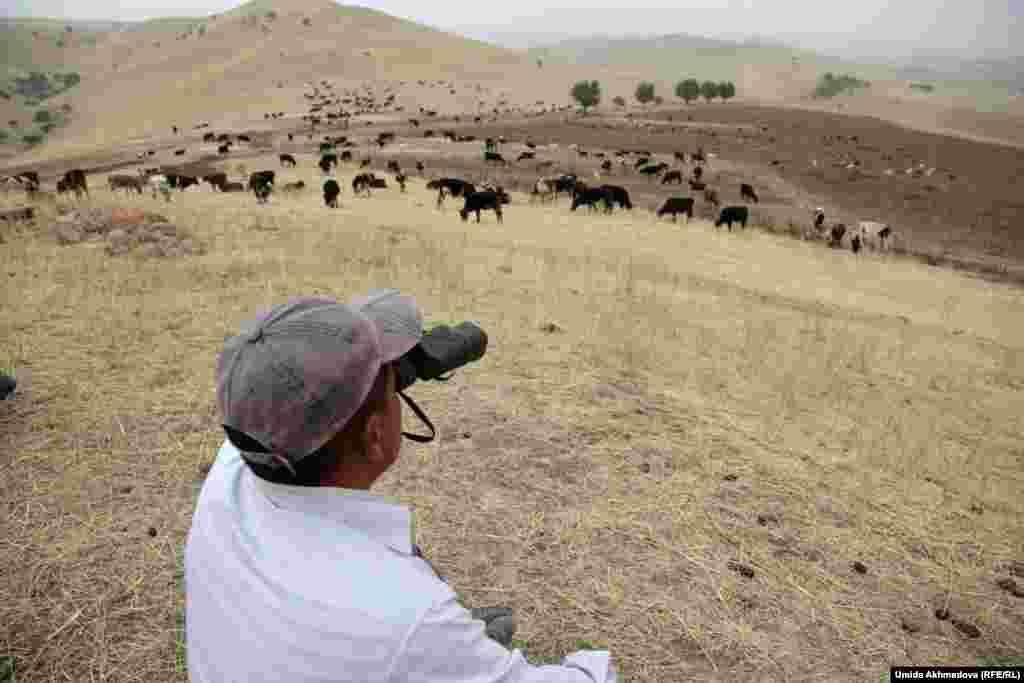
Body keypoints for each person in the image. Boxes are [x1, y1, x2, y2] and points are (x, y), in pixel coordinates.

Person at [185, 290, 618, 682]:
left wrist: (395, 371)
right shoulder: (406, 616)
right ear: (374, 436)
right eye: (393, 390)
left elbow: (286, 395)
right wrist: (591, 665)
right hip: (395, 643)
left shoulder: (234, 469)